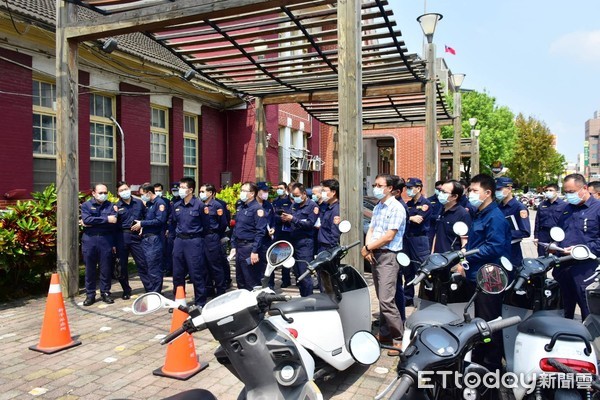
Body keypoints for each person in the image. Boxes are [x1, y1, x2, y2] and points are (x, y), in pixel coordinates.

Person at [462, 173, 511, 372]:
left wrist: (466, 257)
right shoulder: (480, 213)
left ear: (487, 193)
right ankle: (478, 360)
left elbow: (494, 247)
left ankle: (491, 367)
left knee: (489, 322)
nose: (471, 194)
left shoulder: (495, 217)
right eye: (470, 190)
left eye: (475, 191)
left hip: (491, 276)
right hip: (478, 274)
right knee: (479, 321)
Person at [361, 174, 406, 355]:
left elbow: (389, 236)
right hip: (375, 253)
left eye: (379, 185)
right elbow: (371, 228)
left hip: (389, 256)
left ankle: (399, 338)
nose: (376, 188)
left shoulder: (396, 208)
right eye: (375, 184)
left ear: (390, 188)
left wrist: (368, 247)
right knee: (381, 297)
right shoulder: (379, 206)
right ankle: (385, 333)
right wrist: (368, 247)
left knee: (387, 299)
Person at [556, 173, 600, 320]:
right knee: (564, 310)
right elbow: (561, 232)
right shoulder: (567, 209)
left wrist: (580, 249)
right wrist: (554, 246)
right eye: (566, 192)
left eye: (572, 192)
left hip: (586, 269)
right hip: (564, 266)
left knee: (588, 312)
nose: (569, 195)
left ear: (585, 188)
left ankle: (590, 341)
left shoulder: (597, 209)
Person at [170, 177, 208, 307]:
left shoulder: (199, 205)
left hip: (194, 241)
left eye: (182, 187)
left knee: (196, 272)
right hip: (179, 240)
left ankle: (200, 302)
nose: (179, 190)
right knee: (177, 273)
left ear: (190, 190)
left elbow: (206, 226)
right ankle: (179, 301)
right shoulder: (176, 205)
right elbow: (174, 223)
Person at [80, 183, 118, 306]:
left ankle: (105, 292)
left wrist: (95, 221)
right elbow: (87, 220)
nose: (103, 195)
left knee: (105, 268)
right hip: (90, 240)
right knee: (90, 268)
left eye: (105, 193)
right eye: (100, 192)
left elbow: (114, 221)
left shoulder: (111, 205)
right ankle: (90, 294)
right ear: (93, 193)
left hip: (105, 239)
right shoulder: (86, 205)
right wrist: (106, 219)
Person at [281, 182, 319, 297]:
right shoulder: (295, 206)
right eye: (294, 196)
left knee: (305, 274)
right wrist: (285, 219)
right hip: (294, 242)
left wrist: (293, 219)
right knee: (298, 275)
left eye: (297, 195)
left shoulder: (313, 206)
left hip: (305, 244)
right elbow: (291, 218)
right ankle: (303, 298)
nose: (295, 198)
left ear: (304, 194)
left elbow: (309, 224)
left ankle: (309, 300)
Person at [230, 182, 268, 290]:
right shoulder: (241, 207)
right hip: (239, 247)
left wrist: (255, 251)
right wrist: (233, 246)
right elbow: (237, 227)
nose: (241, 193)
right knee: (240, 279)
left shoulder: (257, 209)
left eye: (244, 191)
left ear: (251, 194)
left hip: (249, 247)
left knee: (251, 280)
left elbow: (260, 232)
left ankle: (257, 305)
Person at [131, 183, 167, 293]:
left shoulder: (159, 203)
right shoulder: (149, 204)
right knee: (147, 266)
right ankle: (152, 291)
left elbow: (159, 220)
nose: (141, 196)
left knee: (154, 268)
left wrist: (142, 223)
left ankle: (156, 293)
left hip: (154, 239)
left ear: (149, 193)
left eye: (142, 194)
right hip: (146, 239)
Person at [114, 181, 146, 300]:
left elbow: (145, 217)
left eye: (126, 189)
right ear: (118, 193)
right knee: (122, 266)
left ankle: (149, 288)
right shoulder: (116, 206)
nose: (124, 191)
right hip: (121, 236)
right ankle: (126, 289)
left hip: (137, 236)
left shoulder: (138, 203)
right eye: (121, 190)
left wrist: (143, 226)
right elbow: (113, 225)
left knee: (142, 263)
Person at [403, 177, 432, 307]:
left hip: (420, 240)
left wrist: (409, 217)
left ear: (419, 188)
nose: (408, 190)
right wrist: (410, 217)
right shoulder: (408, 204)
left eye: (410, 188)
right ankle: (407, 297)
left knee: (423, 270)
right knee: (407, 270)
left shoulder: (425, 204)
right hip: (408, 238)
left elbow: (419, 219)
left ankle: (428, 298)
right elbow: (406, 219)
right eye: (407, 188)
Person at [199, 183, 228, 297]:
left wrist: (217, 234)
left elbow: (223, 223)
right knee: (204, 266)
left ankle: (221, 290)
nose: (201, 194)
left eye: (203, 191)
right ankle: (209, 289)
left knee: (215, 265)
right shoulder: (199, 204)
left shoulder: (217, 205)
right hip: (202, 237)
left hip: (212, 237)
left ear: (210, 193)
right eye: (200, 191)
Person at [495, 177, 531, 267]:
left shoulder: (519, 208)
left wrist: (504, 233)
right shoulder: (498, 206)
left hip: (512, 251)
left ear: (509, 189)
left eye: (499, 189)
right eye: (495, 189)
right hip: (497, 249)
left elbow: (525, 232)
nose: (497, 192)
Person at [432, 180, 472, 253]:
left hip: (452, 260)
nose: (440, 194)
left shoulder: (462, 214)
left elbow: (465, 240)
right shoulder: (442, 209)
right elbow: (437, 234)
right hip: (438, 258)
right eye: (440, 191)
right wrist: (432, 254)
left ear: (455, 196)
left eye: (444, 192)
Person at [534, 183, 567, 256]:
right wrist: (536, 236)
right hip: (543, 234)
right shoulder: (542, 204)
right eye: (547, 190)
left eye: (551, 190)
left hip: (557, 234)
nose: (548, 192)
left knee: (557, 256)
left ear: (557, 192)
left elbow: (567, 222)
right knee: (542, 256)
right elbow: (537, 221)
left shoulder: (564, 205)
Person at [272, 181, 293, 287]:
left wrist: (285, 218)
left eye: (281, 188)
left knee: (286, 255)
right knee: (276, 255)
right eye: (277, 188)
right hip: (277, 231)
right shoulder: (275, 201)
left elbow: (291, 213)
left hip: (287, 231)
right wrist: (279, 218)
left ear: (285, 189)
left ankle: (286, 279)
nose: (278, 190)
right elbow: (273, 215)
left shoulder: (290, 200)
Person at [317, 179, 341, 253]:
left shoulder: (336, 209)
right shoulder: (327, 206)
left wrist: (332, 251)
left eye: (324, 191)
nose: (322, 194)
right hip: (322, 246)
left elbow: (335, 232)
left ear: (333, 192)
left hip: (328, 248)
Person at [427, 180, 444, 247]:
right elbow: (427, 214)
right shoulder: (429, 200)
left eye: (441, 189)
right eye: (437, 189)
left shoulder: (445, 200)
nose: (439, 191)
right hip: (431, 226)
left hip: (441, 226)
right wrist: (436, 217)